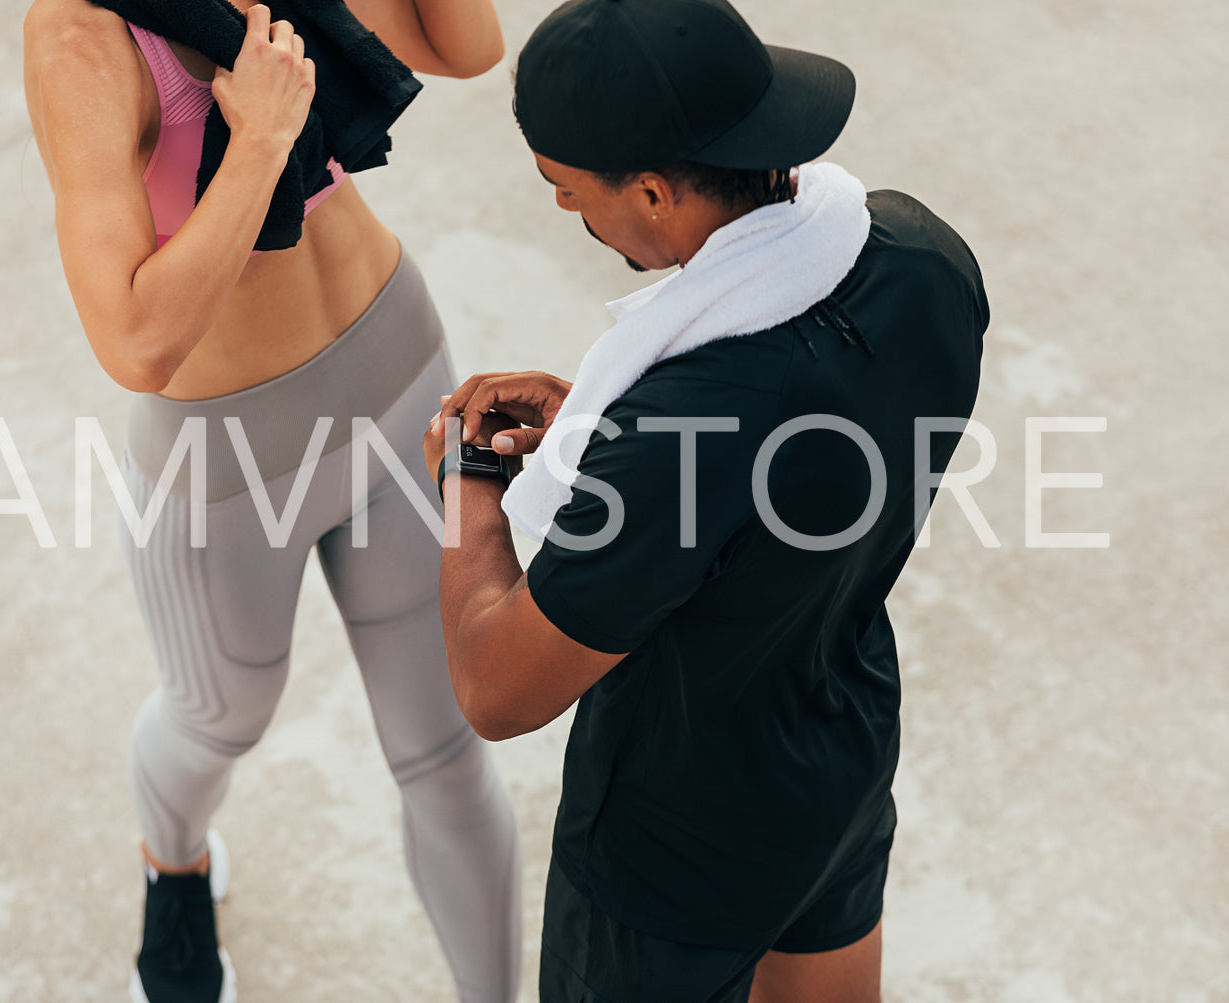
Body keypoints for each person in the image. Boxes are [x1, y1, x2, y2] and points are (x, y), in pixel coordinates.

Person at [0, 1, 523, 1001]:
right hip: (231, 455)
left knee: (444, 750)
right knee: (217, 719)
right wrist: (255, 137)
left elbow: (464, 47)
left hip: (399, 373)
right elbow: (131, 337)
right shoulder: (78, 40)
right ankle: (173, 863)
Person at [423, 0, 989, 1000]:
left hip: (670, 844)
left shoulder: (685, 439)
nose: (566, 213)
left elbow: (494, 690)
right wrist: (626, 440)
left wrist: (468, 485)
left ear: (648, 190)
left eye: (565, 192)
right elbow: (786, 472)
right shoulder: (923, 257)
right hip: (835, 757)